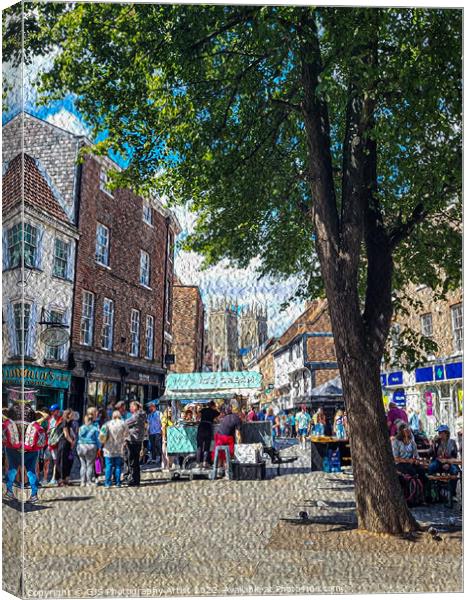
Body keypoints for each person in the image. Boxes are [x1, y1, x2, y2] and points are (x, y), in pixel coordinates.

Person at [3, 403, 47, 503]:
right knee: (31, 472)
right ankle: (34, 496)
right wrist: (37, 412)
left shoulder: (10, 422)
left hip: (13, 449)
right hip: (31, 450)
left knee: (12, 470)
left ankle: (9, 493)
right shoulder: (35, 424)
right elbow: (46, 417)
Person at [392, 422, 427, 500]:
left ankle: (423, 495)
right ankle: (412, 496)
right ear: (401, 431)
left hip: (410, 463)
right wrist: (407, 460)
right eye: (406, 430)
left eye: (409, 429)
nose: (408, 431)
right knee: (412, 472)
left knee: (422, 471)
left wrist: (417, 460)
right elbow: (395, 458)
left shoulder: (412, 441)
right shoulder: (396, 442)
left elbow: (416, 454)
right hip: (400, 464)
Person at [428, 425, 460, 497]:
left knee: (455, 471)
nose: (440, 435)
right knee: (431, 467)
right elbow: (430, 454)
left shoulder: (452, 442)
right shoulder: (437, 442)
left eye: (441, 433)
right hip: (438, 461)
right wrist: (433, 445)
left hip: (449, 462)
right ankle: (434, 491)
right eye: (439, 433)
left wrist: (448, 464)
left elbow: (454, 456)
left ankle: (452, 494)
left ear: (446, 433)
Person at [99, 410, 128, 488]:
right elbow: (127, 435)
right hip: (119, 448)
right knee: (118, 466)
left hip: (108, 448)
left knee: (108, 466)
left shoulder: (107, 424)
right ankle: (118, 483)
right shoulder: (123, 423)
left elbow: (101, 436)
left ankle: (107, 483)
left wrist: (101, 444)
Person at [214, 403, 242, 467]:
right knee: (229, 454)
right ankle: (227, 469)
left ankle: (218, 469)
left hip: (218, 437)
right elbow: (238, 434)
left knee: (220, 455)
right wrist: (240, 445)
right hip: (226, 438)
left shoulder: (225, 417)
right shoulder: (237, 418)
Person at [125, 401, 146, 486]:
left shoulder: (136, 416)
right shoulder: (142, 414)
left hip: (133, 440)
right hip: (138, 439)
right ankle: (136, 479)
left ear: (135, 407)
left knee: (133, 461)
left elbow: (125, 423)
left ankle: (134, 480)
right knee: (135, 461)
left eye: (131, 406)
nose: (130, 408)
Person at [77, 414, 100, 486]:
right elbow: (97, 439)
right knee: (89, 465)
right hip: (91, 446)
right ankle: (89, 482)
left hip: (81, 446)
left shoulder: (81, 428)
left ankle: (82, 482)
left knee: (83, 465)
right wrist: (99, 448)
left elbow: (79, 437)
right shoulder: (94, 428)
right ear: (91, 420)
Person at [55, 409, 76, 487]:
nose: (73, 415)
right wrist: (72, 442)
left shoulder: (69, 423)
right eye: (72, 414)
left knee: (69, 461)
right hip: (63, 445)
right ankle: (61, 480)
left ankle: (66, 479)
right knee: (62, 462)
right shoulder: (64, 423)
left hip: (67, 445)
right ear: (68, 415)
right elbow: (66, 435)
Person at [196, 400, 220, 468]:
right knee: (207, 446)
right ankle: (205, 462)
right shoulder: (214, 411)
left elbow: (198, 417)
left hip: (201, 427)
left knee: (199, 446)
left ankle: (198, 462)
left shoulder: (203, 410)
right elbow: (219, 416)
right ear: (213, 406)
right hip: (208, 428)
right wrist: (216, 408)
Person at [43, 404, 62, 485]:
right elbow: (48, 430)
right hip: (48, 444)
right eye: (51, 411)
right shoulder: (50, 420)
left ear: (57, 411)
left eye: (53, 411)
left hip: (56, 444)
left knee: (55, 462)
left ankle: (54, 478)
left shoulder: (61, 420)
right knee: (46, 461)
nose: (52, 412)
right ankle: (45, 479)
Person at [147, 401, 163, 465]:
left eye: (150, 407)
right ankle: (153, 459)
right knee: (152, 446)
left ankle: (162, 457)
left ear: (153, 407)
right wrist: (148, 431)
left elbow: (162, 421)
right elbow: (148, 424)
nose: (149, 408)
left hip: (157, 432)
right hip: (151, 432)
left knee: (158, 445)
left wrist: (162, 430)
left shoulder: (159, 413)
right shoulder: (149, 415)